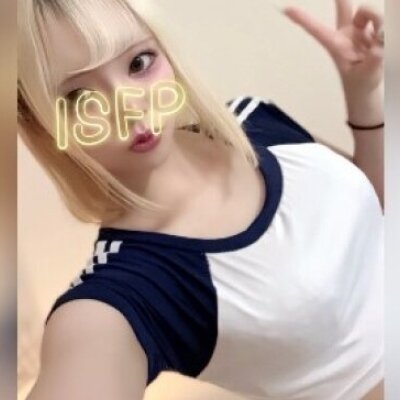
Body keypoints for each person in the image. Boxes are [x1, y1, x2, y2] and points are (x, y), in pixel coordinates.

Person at [18, 0, 384, 399]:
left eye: (139, 63)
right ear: (41, 125)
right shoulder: (131, 290)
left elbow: (378, 212)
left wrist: (365, 97)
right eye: (78, 98)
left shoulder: (253, 120)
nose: (131, 108)